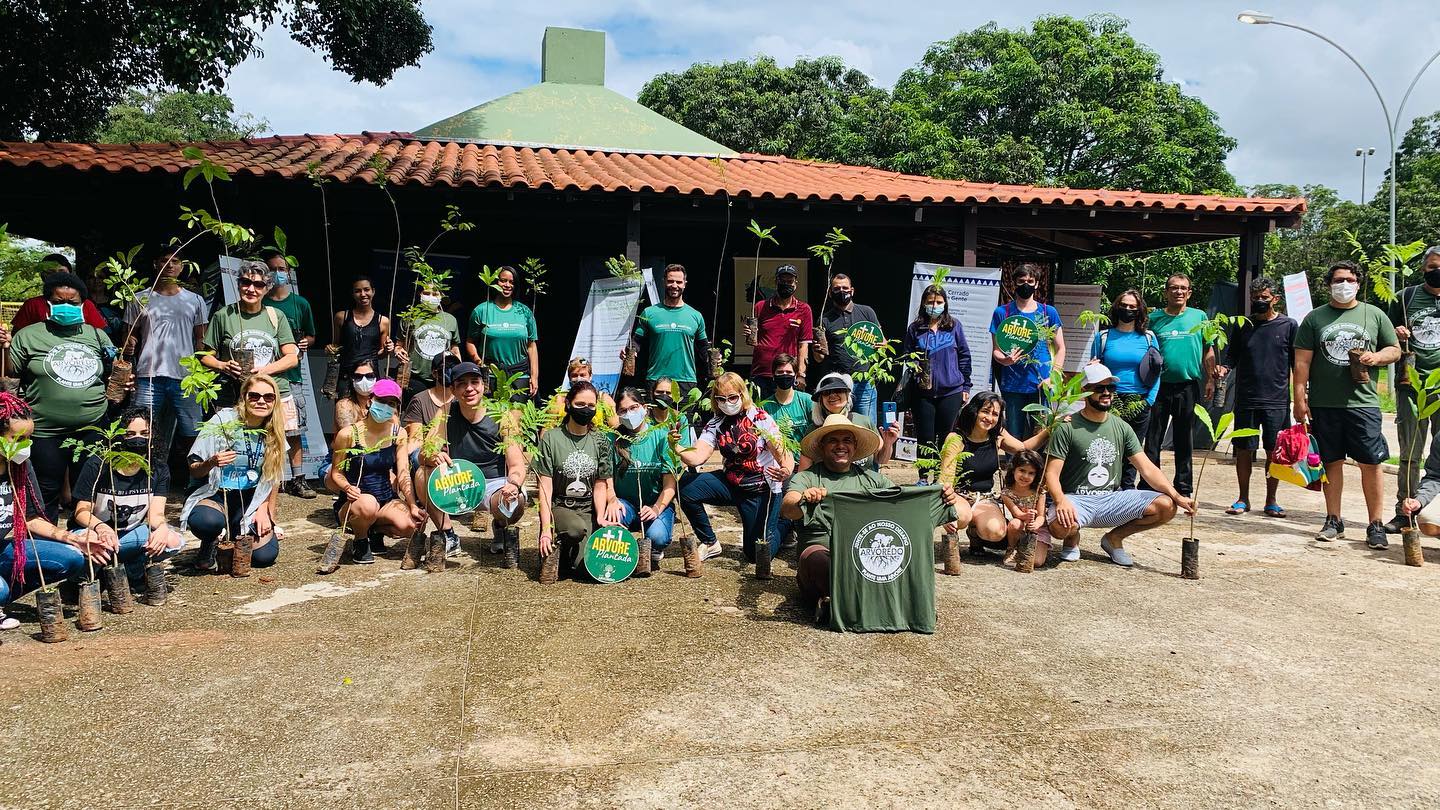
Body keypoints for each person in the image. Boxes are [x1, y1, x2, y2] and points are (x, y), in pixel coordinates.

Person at [782, 414, 958, 622]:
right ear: (821, 446)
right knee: (816, 560)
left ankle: (901, 603)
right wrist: (804, 497)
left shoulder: (872, 480)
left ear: (855, 446)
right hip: (825, 554)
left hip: (864, 556)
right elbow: (787, 508)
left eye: (846, 440)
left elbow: (904, 501)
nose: (840, 446)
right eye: (833, 440)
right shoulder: (807, 477)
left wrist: (941, 497)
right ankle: (836, 600)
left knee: (898, 553)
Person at [1044, 363, 1196, 567]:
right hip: (1077, 500)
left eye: (1110, 388)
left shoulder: (1121, 427)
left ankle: (1114, 539)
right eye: (1099, 388)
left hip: (1111, 499)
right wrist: (1061, 501)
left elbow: (1147, 468)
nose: (1106, 393)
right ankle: (1072, 537)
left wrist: (1177, 496)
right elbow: (1051, 473)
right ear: (1084, 391)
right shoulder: (1068, 427)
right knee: (1059, 527)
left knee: (1166, 507)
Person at [1294, 260, 1401, 548]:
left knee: (1371, 462)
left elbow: (1394, 349)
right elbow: (1302, 362)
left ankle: (1375, 524)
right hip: (1324, 404)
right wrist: (1299, 399)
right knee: (1331, 462)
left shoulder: (1374, 314)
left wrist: (1375, 358)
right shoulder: (1315, 319)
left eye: (1351, 280)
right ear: (1328, 284)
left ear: (1358, 283)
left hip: (1363, 403)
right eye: (1339, 280)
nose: (1345, 285)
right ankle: (1333, 519)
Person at [7, 271, 116, 521]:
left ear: (83, 305)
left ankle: (88, 546)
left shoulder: (96, 335)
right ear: (47, 303)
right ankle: (50, 548)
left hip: (92, 427)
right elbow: (9, 372)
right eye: (58, 302)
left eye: (73, 302)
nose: (66, 306)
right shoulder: (29, 335)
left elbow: (112, 371)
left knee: (89, 491)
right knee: (45, 491)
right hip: (46, 431)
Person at [414, 362, 528, 564]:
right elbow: (423, 453)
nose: (469, 388)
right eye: (462, 384)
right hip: (461, 480)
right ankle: (448, 534)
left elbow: (517, 463)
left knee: (515, 502)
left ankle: (501, 525)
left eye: (474, 382)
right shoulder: (446, 411)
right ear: (453, 390)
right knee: (423, 473)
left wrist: (514, 484)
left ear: (484, 386)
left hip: (495, 484)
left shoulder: (502, 415)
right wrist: (433, 456)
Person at [672, 372, 792, 563]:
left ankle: (785, 523)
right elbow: (697, 458)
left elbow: (784, 454)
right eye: (721, 398)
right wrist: (677, 448)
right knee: (684, 488)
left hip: (760, 489)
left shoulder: (760, 419)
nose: (727, 402)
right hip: (731, 484)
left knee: (758, 555)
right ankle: (710, 542)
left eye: (732, 397)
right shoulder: (716, 423)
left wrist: (785, 470)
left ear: (742, 394)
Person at [0, 393, 97, 627]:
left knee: (72, 557)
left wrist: (70, 538)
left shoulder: (20, 466)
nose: (24, 445)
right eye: (17, 438)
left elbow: (31, 518)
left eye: (28, 438)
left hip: (2, 548)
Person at [181, 374, 288, 571]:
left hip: (250, 498)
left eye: (268, 397)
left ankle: (233, 533)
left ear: (275, 401)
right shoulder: (223, 421)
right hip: (217, 494)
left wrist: (266, 512)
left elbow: (273, 478)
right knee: (206, 522)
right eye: (254, 396)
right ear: (244, 397)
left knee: (264, 557)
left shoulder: (275, 430)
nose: (261, 401)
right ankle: (210, 541)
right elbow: (194, 470)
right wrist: (212, 462)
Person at [70, 407, 185, 587]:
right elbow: (80, 512)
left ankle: (132, 571)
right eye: (130, 434)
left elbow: (155, 515)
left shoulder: (158, 469)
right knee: (89, 544)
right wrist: (101, 528)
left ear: (152, 437)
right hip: (94, 533)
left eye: (144, 433)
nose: (137, 438)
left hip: (128, 534)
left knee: (172, 541)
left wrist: (162, 527)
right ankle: (85, 576)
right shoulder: (98, 465)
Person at [1217, 277, 1296, 518]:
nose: (1260, 301)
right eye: (1256, 298)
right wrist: (1224, 368)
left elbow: (1297, 363)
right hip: (1247, 400)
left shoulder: (1289, 325)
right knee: (1243, 450)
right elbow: (1231, 356)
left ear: (1275, 299)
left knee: (1274, 452)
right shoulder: (1243, 325)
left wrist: (1303, 394)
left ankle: (1271, 500)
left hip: (1277, 400)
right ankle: (1243, 498)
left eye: (1265, 297)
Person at [324, 378, 422, 566]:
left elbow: (403, 472)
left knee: (411, 525)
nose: (386, 406)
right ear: (370, 400)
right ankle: (360, 540)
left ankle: (374, 532)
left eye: (391, 403)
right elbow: (336, 473)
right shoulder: (348, 434)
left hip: (386, 498)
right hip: (356, 501)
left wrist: (412, 505)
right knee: (367, 505)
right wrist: (347, 487)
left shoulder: (398, 433)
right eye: (382, 401)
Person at [125, 245, 208, 468]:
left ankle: (196, 482)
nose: (169, 265)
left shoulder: (195, 300)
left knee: (193, 432)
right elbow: (128, 337)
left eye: (175, 261)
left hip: (186, 378)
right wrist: (130, 344)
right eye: (164, 260)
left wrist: (202, 373)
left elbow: (202, 341)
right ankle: (140, 479)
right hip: (148, 376)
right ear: (156, 265)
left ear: (182, 267)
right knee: (140, 430)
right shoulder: (139, 298)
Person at [937, 391, 1050, 553]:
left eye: (995, 414)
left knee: (996, 532)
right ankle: (959, 530)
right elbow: (945, 478)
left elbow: (1023, 448)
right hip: (959, 495)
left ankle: (975, 533)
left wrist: (1050, 430)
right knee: (960, 517)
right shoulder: (956, 438)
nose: (989, 418)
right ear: (974, 410)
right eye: (985, 411)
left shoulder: (997, 435)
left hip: (984, 497)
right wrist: (947, 506)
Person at [534, 381, 616, 580]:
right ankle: (556, 540)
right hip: (560, 506)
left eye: (591, 406)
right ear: (568, 404)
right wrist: (545, 529)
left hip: (587, 507)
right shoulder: (551, 439)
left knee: (588, 568)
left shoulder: (601, 440)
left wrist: (601, 517)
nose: (586, 410)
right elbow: (544, 488)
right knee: (574, 530)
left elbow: (600, 484)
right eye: (580, 404)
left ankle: (567, 556)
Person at [1144, 273, 1215, 498]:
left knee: (1184, 438)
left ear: (1189, 292)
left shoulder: (1200, 316)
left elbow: (1208, 349)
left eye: (1183, 288)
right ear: (1166, 292)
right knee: (1153, 437)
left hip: (1188, 386)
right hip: (1158, 386)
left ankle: (1183, 487)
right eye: (1174, 288)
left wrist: (1211, 378)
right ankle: (1150, 485)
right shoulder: (1154, 318)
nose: (1179, 292)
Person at [1387, 245, 1440, 533]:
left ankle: (1433, 511)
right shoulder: (1405, 298)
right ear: (1423, 268)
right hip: (1412, 384)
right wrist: (1396, 333)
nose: (1437, 272)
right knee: (1410, 451)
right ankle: (1404, 510)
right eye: (1432, 267)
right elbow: (1387, 335)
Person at [200, 260, 299, 411]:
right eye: (246, 282)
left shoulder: (276, 316)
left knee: (278, 435)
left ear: (267, 289)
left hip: (272, 392)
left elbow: (291, 358)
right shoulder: (223, 315)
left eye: (259, 285)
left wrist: (265, 370)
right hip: (234, 394)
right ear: (238, 284)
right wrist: (223, 366)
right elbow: (205, 356)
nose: (251, 289)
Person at [1087, 289, 1161, 489]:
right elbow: (1094, 370)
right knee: (1110, 446)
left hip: (1139, 399)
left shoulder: (1148, 337)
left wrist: (1149, 401)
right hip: (1110, 399)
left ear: (1140, 311)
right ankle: (1108, 486)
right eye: (1124, 306)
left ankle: (1127, 489)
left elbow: (1156, 371)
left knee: (1134, 450)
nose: (1128, 310)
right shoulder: (1103, 336)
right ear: (1116, 307)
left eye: (1132, 307)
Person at [261, 249, 320, 499]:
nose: (277, 273)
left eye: (282, 269)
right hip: (263, 376)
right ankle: (266, 479)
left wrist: (305, 342)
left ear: (289, 272)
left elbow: (311, 335)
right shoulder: (261, 302)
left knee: (294, 430)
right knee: (262, 429)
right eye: (272, 269)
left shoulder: (300, 303)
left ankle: (298, 479)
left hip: (292, 376)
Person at [990, 264, 1065, 441]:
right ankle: (1013, 467)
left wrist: (1053, 377)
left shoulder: (1048, 312)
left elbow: (1061, 348)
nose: (1026, 284)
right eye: (1022, 281)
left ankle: (1037, 468)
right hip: (1013, 384)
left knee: (1040, 433)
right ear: (1014, 283)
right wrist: (1005, 360)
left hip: (1041, 383)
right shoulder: (1002, 312)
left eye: (1030, 281)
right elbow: (996, 351)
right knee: (1014, 433)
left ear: (1037, 284)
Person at [608, 387, 680, 571]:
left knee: (656, 536)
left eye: (633, 408)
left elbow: (670, 485)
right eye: (623, 410)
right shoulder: (613, 439)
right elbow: (605, 477)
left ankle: (655, 547)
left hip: (656, 504)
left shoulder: (662, 436)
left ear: (645, 408)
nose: (629, 414)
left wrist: (656, 508)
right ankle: (624, 547)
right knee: (614, 518)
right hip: (626, 503)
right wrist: (612, 500)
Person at [902, 283, 972, 468]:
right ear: (924, 303)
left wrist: (966, 386)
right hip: (922, 394)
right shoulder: (915, 328)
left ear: (945, 303)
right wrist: (916, 365)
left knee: (947, 438)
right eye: (931, 301)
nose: (935, 305)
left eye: (939, 302)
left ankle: (944, 477)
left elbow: (964, 356)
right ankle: (924, 479)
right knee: (925, 438)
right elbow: (907, 357)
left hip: (951, 392)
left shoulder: (954, 326)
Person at [632, 263, 709, 399]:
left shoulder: (695, 316)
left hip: (686, 381)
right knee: (655, 420)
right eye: (670, 281)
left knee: (686, 421)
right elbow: (637, 341)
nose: (674, 285)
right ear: (664, 282)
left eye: (679, 282)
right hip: (656, 380)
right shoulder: (649, 313)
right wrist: (630, 351)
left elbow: (703, 347)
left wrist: (715, 358)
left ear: (685, 284)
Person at [812, 274, 881, 423]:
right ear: (830, 293)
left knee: (867, 427)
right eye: (837, 288)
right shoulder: (824, 319)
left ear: (852, 290)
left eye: (845, 288)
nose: (841, 291)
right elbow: (819, 358)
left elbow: (883, 342)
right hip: (837, 385)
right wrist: (816, 351)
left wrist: (880, 345)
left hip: (864, 382)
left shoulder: (867, 312)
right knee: (839, 427)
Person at [465, 265, 539, 402]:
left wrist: (534, 377)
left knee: (516, 418)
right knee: (491, 419)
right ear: (495, 283)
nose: (507, 285)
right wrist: (478, 361)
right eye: (503, 281)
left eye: (511, 282)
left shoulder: (524, 312)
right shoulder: (481, 310)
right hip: (491, 375)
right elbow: (470, 342)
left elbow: (531, 346)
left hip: (519, 375)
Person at [798, 372, 898, 471]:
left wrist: (888, 443)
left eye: (838, 390)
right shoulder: (814, 430)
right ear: (821, 400)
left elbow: (881, 460)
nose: (832, 395)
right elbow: (803, 472)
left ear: (847, 395)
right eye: (826, 392)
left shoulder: (864, 421)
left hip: (864, 485)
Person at [745, 264, 813, 400]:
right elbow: (753, 340)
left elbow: (803, 345)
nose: (786, 284)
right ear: (776, 282)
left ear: (796, 283)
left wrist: (801, 375)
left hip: (787, 374)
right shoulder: (760, 306)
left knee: (786, 417)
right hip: (761, 373)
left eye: (790, 281)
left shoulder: (804, 310)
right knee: (760, 416)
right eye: (783, 281)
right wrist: (750, 334)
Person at [331, 276, 400, 398]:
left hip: (370, 376)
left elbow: (381, 354)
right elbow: (335, 346)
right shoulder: (341, 317)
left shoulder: (382, 321)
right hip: (346, 376)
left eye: (366, 289)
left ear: (373, 291)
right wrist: (329, 349)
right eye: (358, 291)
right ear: (353, 294)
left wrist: (387, 350)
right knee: (344, 413)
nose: (363, 294)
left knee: (369, 413)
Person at [8, 253, 108, 332]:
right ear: (43, 276)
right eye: (50, 272)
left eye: (61, 272)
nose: (57, 276)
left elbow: (100, 336)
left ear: (70, 273)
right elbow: (17, 336)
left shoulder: (86, 304)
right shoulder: (32, 305)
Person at [402, 279, 461, 396]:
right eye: (427, 293)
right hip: (415, 377)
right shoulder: (409, 317)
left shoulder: (450, 319)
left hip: (443, 377)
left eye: (435, 294)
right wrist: (398, 351)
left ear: (441, 296)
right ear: (420, 294)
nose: (430, 297)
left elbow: (454, 348)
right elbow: (400, 344)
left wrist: (458, 373)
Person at [998, 450, 1048, 566]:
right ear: (1014, 469)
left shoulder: (1039, 492)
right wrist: (1026, 516)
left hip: (1037, 528)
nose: (1025, 476)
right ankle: (1011, 549)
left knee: (1036, 562)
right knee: (1015, 523)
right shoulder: (1007, 493)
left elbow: (1041, 516)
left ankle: (1032, 548)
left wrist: (1036, 523)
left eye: (1031, 473)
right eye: (1022, 470)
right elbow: (1017, 514)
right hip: (1020, 526)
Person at [761, 354, 812, 462]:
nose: (784, 375)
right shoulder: (764, 407)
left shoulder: (807, 401)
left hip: (806, 463)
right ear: (773, 376)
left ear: (795, 375)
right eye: (780, 372)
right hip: (777, 465)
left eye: (789, 372)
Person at [546, 358, 619, 429]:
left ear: (590, 376)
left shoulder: (603, 398)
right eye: (574, 375)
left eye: (582, 375)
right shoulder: (560, 399)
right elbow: (547, 427)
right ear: (569, 378)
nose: (578, 379)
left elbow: (614, 426)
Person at [335, 360, 379, 431]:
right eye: (358, 376)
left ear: (376, 377)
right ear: (352, 379)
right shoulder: (344, 405)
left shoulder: (383, 405)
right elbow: (350, 436)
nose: (364, 380)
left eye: (369, 376)